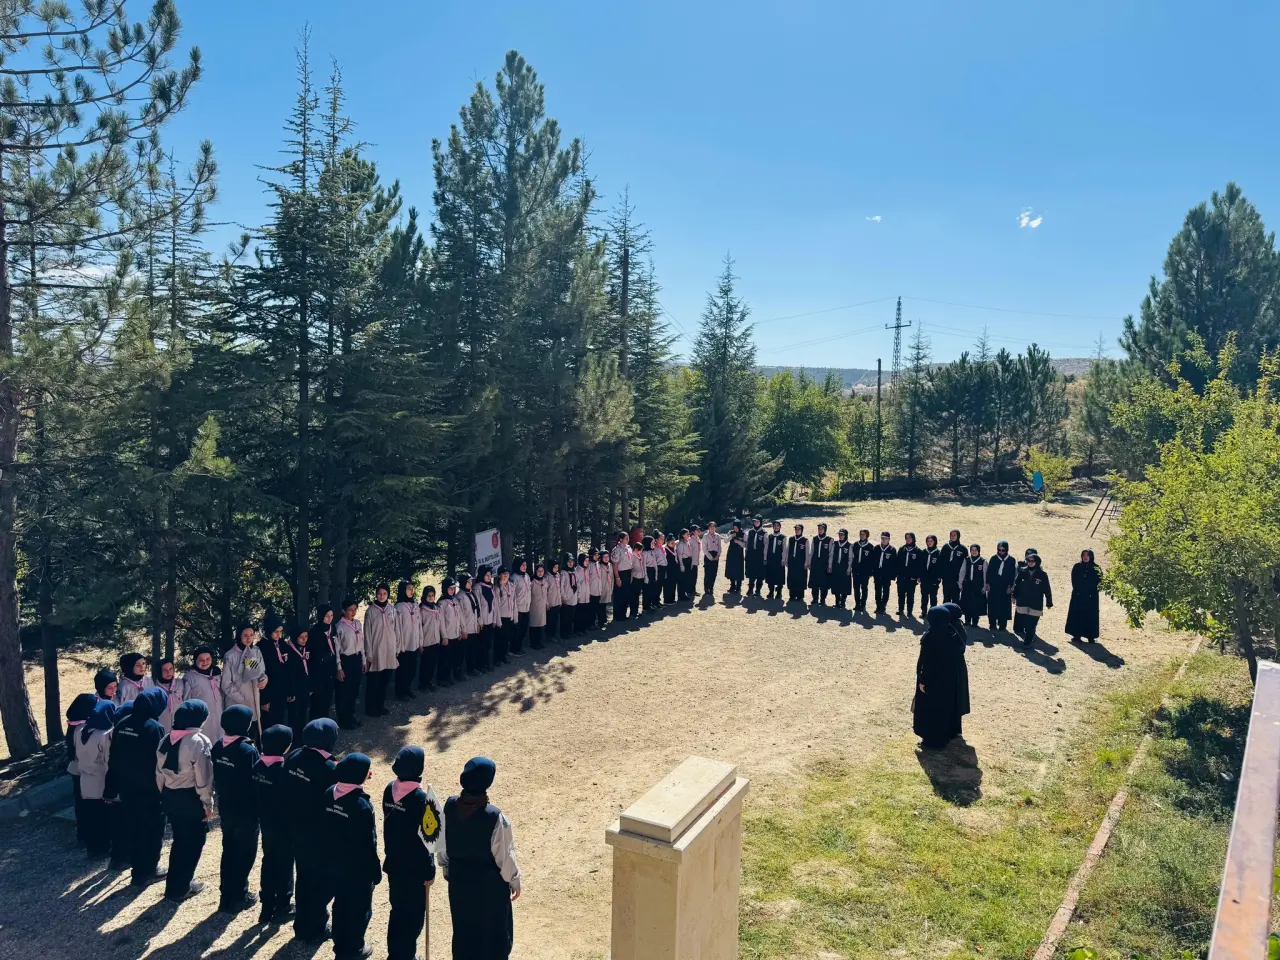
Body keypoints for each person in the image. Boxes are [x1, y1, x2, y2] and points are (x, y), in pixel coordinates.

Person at [438, 757, 521, 960]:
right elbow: (505, 857)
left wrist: (447, 866)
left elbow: (442, 844)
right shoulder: (494, 817)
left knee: (464, 931)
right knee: (493, 936)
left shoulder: (448, 806)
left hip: (459, 883)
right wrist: (514, 880)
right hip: (489, 888)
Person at [383, 746, 440, 960]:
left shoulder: (389, 789)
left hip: (394, 863)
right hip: (414, 870)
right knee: (414, 916)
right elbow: (427, 840)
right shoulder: (421, 798)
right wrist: (430, 871)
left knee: (397, 910)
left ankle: (395, 954)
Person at [285, 718, 340, 944]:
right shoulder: (329, 768)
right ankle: (315, 928)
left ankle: (302, 923)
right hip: (319, 834)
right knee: (320, 882)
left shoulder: (294, 756)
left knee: (304, 877)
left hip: (296, 829)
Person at [324, 753, 381, 960]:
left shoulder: (330, 792)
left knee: (340, 905)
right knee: (359, 909)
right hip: (357, 870)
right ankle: (353, 948)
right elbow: (368, 843)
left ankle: (339, 944)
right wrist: (375, 871)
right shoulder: (361, 806)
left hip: (334, 863)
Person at [110, 686, 169, 886]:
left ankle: (137, 869)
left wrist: (113, 785)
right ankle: (148, 871)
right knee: (152, 830)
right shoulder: (154, 727)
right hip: (149, 789)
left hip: (126, 786)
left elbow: (113, 756)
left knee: (134, 827)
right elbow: (159, 761)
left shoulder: (122, 723)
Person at [156, 698, 214, 902]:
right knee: (194, 842)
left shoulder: (166, 739)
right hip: (190, 797)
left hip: (170, 795)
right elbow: (203, 777)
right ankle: (181, 887)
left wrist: (164, 793)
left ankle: (174, 884)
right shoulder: (199, 741)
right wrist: (207, 803)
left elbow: (159, 773)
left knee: (180, 840)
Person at [213, 704, 261, 912]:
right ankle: (239, 896)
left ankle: (226, 894)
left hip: (226, 806)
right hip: (246, 810)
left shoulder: (218, 746)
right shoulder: (247, 750)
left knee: (229, 849)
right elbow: (255, 779)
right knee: (245, 852)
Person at [253, 724, 295, 924]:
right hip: (284, 827)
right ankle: (283, 906)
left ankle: (266, 904)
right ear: (286, 747)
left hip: (266, 824)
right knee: (285, 864)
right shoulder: (285, 770)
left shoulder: (257, 766)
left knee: (268, 861)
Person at [913, 605, 971, 749]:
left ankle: (933, 741)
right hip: (949, 680)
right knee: (946, 709)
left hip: (933, 681)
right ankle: (946, 735)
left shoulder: (931, 637)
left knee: (932, 710)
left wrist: (923, 680)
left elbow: (927, 662)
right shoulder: (952, 634)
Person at [76, 700, 117, 859]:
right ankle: (103, 849)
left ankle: (92, 849)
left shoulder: (81, 731)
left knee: (90, 817)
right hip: (100, 781)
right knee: (103, 818)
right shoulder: (104, 735)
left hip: (85, 781)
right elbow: (108, 761)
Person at [222, 624, 268, 739]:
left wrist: (264, 680)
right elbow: (226, 684)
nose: (249, 638)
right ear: (239, 636)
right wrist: (242, 700)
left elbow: (260, 673)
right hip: (237, 703)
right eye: (245, 635)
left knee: (253, 736)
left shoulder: (255, 652)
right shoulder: (230, 655)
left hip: (254, 702)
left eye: (251, 635)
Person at [65, 692, 99, 848]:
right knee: (88, 805)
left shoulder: (74, 725)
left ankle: (83, 834)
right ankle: (88, 835)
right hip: (84, 771)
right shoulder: (82, 728)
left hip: (76, 770)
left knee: (81, 804)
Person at [364, 584, 398, 716]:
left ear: (388, 594)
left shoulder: (392, 609)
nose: (382, 596)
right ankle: (370, 708)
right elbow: (367, 633)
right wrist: (369, 653)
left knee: (384, 680)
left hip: (389, 650)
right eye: (379, 593)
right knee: (374, 681)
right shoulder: (371, 611)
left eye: (384, 593)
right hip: (376, 651)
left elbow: (397, 629)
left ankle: (380, 705)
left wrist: (397, 647)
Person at [183, 646, 224, 742]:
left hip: (218, 715)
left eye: (208, 659)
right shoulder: (190, 677)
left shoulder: (217, 674)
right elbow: (186, 699)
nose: (205, 662)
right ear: (195, 660)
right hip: (201, 718)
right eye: (201, 660)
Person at [335, 600, 365, 729]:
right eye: (350, 610)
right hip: (345, 660)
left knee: (354, 690)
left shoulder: (358, 623)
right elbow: (337, 649)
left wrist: (363, 660)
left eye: (355, 609)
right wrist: (339, 668)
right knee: (344, 692)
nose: (353, 612)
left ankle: (351, 715)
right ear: (344, 611)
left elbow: (361, 643)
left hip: (356, 658)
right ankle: (343, 719)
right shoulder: (339, 626)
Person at [1013, 551, 1053, 646]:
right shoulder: (1022, 571)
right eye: (1029, 560)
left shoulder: (1042, 574)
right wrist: (1014, 596)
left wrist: (1049, 602)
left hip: (1035, 603)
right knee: (1024, 622)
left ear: (1037, 562)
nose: (1030, 563)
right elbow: (1017, 585)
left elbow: (1047, 589)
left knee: (1031, 624)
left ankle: (1027, 643)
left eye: (1032, 561)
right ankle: (1026, 639)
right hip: (1023, 601)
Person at [259, 614, 290, 730]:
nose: (279, 635)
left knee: (281, 722)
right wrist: (264, 700)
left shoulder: (282, 644)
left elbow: (289, 667)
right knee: (269, 725)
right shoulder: (259, 648)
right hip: (269, 694)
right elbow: (258, 674)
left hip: (282, 692)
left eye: (281, 631)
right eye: (276, 631)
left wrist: (289, 691)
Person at [1066, 549, 1102, 643]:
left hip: (1092, 596)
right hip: (1078, 595)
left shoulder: (1096, 568)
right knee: (1078, 615)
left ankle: (1091, 636)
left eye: (1087, 555)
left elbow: (1099, 582)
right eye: (1083, 555)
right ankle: (1076, 635)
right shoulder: (1077, 566)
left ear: (1091, 556)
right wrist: (1078, 590)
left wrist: (1092, 592)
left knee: (1090, 616)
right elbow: (1074, 580)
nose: (1085, 557)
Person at [309, 605, 338, 720]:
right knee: (318, 700)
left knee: (327, 698)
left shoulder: (333, 629)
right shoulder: (314, 632)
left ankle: (325, 721)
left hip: (330, 668)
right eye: (326, 616)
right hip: (319, 671)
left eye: (331, 615)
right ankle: (315, 724)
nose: (329, 618)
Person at [395, 581, 422, 701]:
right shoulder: (399, 607)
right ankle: (400, 692)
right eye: (408, 589)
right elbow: (397, 628)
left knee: (412, 669)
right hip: (404, 645)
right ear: (403, 590)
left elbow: (419, 624)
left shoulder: (415, 604)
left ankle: (407, 689)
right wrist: (399, 646)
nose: (411, 591)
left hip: (414, 643)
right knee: (403, 670)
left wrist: (420, 642)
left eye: (412, 589)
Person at [283, 626, 312, 733]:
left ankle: (302, 735)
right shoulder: (288, 651)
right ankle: (294, 737)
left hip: (305, 686)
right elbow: (288, 673)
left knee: (303, 712)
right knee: (294, 715)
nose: (304, 639)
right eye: (301, 637)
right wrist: (290, 691)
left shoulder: (306, 648)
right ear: (295, 637)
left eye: (306, 636)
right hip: (294, 688)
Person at [985, 541, 1016, 633]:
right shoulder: (994, 558)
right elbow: (989, 572)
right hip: (994, 586)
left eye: (1003, 550)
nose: (1001, 552)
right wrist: (987, 583)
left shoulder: (1011, 560)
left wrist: (1010, 587)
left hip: (1005, 587)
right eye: (999, 550)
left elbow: (1012, 575)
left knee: (1004, 606)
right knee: (992, 605)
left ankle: (1002, 624)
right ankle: (992, 623)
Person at [438, 579, 463, 683]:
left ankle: (449, 676)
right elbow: (441, 622)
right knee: (445, 659)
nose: (452, 590)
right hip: (447, 635)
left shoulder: (455, 600)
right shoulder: (442, 603)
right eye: (450, 588)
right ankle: (442, 679)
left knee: (453, 657)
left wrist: (460, 630)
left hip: (455, 634)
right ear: (445, 589)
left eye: (453, 588)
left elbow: (459, 617)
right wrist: (444, 636)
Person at [419, 586, 443, 688]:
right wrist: (420, 643)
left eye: (433, 595)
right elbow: (419, 628)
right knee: (426, 664)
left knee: (433, 663)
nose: (431, 597)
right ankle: (423, 683)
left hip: (435, 640)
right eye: (428, 595)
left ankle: (429, 681)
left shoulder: (436, 608)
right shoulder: (422, 610)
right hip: (426, 641)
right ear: (424, 596)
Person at [958, 544, 988, 628]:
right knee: (967, 602)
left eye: (976, 550)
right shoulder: (966, 560)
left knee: (976, 603)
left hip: (978, 586)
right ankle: (967, 621)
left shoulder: (983, 561)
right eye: (972, 550)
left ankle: (975, 622)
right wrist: (960, 583)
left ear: (979, 551)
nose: (974, 552)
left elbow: (985, 574)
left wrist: (984, 586)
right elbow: (962, 572)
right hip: (967, 585)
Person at [895, 532, 923, 617]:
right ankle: (900, 610)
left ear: (913, 539)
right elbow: (897, 562)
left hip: (911, 578)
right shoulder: (902, 549)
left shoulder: (918, 551)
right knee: (901, 594)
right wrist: (897, 574)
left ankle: (909, 611)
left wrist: (917, 576)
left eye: (910, 538)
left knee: (910, 595)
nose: (908, 539)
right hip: (901, 577)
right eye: (906, 538)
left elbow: (920, 566)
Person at [458, 574, 482, 671]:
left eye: (471, 581)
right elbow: (460, 616)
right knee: (463, 651)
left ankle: (471, 668)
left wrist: (478, 623)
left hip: (474, 627)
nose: (470, 583)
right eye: (468, 581)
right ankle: (461, 671)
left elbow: (477, 610)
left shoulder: (472, 594)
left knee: (472, 649)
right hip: (466, 629)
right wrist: (463, 630)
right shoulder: (460, 597)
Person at [152, 658, 183, 732]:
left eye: (171, 669)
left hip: (178, 725)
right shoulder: (153, 686)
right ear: (159, 671)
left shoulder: (180, 683)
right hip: (161, 725)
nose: (168, 672)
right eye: (165, 670)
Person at [872, 532, 897, 615]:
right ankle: (878, 606)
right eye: (882, 538)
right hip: (877, 573)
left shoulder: (892, 550)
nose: (884, 540)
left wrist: (892, 576)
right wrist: (873, 572)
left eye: (885, 538)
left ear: (889, 539)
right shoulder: (876, 548)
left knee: (886, 591)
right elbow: (873, 561)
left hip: (886, 575)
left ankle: (883, 606)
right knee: (877, 591)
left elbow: (894, 564)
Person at [496, 567, 517, 664]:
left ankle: (503, 656)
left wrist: (515, 617)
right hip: (501, 617)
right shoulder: (497, 588)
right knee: (499, 639)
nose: (505, 576)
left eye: (507, 574)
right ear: (499, 575)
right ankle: (497, 658)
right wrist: (498, 621)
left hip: (509, 616)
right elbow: (496, 606)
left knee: (506, 639)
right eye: (503, 574)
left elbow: (514, 602)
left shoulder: (512, 586)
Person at [610, 533, 633, 622]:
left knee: (626, 594)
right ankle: (617, 616)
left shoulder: (629, 548)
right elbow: (615, 564)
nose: (628, 540)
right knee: (619, 595)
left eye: (628, 538)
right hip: (620, 573)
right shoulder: (617, 550)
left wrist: (631, 574)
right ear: (620, 539)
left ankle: (623, 614)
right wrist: (617, 578)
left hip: (628, 572)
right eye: (626, 538)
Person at [808, 523, 833, 605]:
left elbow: (831, 554)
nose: (820, 530)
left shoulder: (829, 540)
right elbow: (811, 551)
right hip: (815, 563)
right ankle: (815, 598)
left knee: (824, 583)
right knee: (814, 582)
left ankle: (822, 599)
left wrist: (829, 565)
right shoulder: (815, 539)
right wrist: (809, 562)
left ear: (825, 530)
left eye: (822, 529)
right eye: (819, 528)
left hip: (824, 564)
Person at [829, 529, 853, 609]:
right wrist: (830, 565)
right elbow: (831, 555)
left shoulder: (849, 545)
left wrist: (849, 568)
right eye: (839, 534)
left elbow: (850, 558)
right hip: (836, 567)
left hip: (844, 568)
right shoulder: (835, 544)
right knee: (836, 585)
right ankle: (837, 601)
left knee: (844, 585)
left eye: (842, 535)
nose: (840, 536)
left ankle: (842, 602)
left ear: (845, 535)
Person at [942, 530, 968, 605]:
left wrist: (963, 579)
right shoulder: (945, 547)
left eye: (954, 535)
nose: (953, 537)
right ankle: (945, 612)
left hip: (957, 578)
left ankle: (955, 612)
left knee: (956, 598)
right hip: (946, 578)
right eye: (951, 535)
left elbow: (966, 564)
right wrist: (941, 575)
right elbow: (940, 562)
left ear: (958, 536)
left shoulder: (963, 549)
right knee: (946, 598)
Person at [786, 524, 810, 602]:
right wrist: (786, 560)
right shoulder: (791, 539)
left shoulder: (805, 540)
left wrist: (806, 562)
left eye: (799, 529)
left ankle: (800, 596)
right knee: (792, 578)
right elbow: (788, 550)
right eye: (796, 529)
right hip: (792, 562)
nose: (797, 531)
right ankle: (792, 595)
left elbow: (807, 552)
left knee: (800, 578)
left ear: (802, 530)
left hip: (801, 563)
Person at [852, 530, 875, 612]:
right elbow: (852, 557)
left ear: (867, 535)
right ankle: (857, 604)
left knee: (864, 588)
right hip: (856, 570)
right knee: (856, 588)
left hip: (865, 572)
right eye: (860, 534)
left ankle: (863, 604)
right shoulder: (855, 545)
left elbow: (872, 561)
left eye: (863, 534)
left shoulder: (870, 547)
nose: (862, 536)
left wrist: (871, 572)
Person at [512, 558, 532, 653]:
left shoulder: (527, 576)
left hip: (526, 607)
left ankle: (519, 647)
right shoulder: (514, 578)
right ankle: (514, 649)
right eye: (522, 565)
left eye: (525, 565)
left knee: (524, 629)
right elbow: (512, 596)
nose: (524, 567)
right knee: (517, 631)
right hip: (518, 609)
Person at [528, 563, 549, 650]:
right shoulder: (532, 582)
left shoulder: (545, 581)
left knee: (541, 625)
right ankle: (533, 643)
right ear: (535, 571)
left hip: (542, 606)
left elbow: (546, 594)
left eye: (542, 571)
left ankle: (539, 641)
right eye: (538, 571)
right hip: (534, 607)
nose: (540, 573)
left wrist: (547, 603)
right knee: (534, 625)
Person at [744, 516, 767, 596]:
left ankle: (758, 590)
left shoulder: (764, 533)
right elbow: (746, 544)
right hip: (751, 555)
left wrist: (765, 557)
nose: (756, 523)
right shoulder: (750, 532)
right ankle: (750, 588)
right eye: (755, 521)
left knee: (760, 574)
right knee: (751, 573)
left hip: (760, 556)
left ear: (760, 522)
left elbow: (766, 546)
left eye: (757, 521)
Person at [764, 521, 787, 600]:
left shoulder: (782, 537)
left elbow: (784, 549)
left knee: (779, 576)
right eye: (774, 526)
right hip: (770, 559)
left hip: (779, 559)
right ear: (773, 527)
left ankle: (779, 592)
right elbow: (766, 547)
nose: (776, 527)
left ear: (780, 527)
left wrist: (783, 560)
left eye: (777, 526)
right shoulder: (769, 537)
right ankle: (771, 591)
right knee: (770, 576)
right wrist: (765, 558)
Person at [724, 520, 746, 595]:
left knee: (738, 570)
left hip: (739, 555)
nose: (735, 529)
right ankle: (732, 585)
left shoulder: (743, 534)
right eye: (734, 527)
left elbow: (745, 545)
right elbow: (725, 541)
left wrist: (739, 542)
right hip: (731, 554)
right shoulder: (730, 532)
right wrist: (731, 536)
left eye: (737, 528)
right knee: (731, 569)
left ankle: (738, 587)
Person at [557, 556, 577, 640]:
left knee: (571, 616)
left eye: (572, 561)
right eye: (569, 561)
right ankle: (564, 633)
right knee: (565, 617)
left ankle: (569, 632)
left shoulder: (574, 571)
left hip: (573, 597)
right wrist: (564, 597)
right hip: (566, 599)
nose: (571, 563)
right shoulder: (563, 572)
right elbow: (561, 586)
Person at [921, 535, 943, 609]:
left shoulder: (938, 553)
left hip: (934, 579)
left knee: (933, 596)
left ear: (935, 542)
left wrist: (938, 578)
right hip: (924, 578)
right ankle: (924, 611)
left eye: (931, 541)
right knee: (924, 596)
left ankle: (933, 611)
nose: (929, 543)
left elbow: (941, 567)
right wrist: (920, 576)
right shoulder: (924, 552)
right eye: (928, 541)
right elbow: (920, 565)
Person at [702, 521, 723, 595]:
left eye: (713, 526)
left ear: (715, 528)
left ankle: (711, 587)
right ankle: (706, 588)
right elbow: (704, 548)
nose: (712, 528)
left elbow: (719, 547)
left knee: (714, 573)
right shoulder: (705, 536)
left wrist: (718, 555)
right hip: (708, 555)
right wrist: (710, 557)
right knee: (707, 573)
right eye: (710, 526)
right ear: (708, 527)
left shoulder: (718, 536)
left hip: (716, 555)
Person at [572, 554, 592, 633]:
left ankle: (583, 628)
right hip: (580, 596)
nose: (587, 562)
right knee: (579, 613)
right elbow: (577, 584)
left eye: (588, 561)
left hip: (586, 595)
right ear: (581, 561)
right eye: (585, 561)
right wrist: (578, 595)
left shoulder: (586, 570)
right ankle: (577, 629)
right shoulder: (577, 570)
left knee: (585, 612)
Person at [640, 536, 659, 612]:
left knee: (652, 588)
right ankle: (646, 606)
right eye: (652, 542)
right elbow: (644, 565)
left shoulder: (652, 551)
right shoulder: (644, 553)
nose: (654, 544)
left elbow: (655, 563)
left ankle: (650, 604)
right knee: (646, 589)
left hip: (652, 570)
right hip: (647, 571)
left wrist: (656, 573)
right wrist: (646, 576)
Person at [598, 550, 614, 629]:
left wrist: (611, 587)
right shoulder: (599, 566)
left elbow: (612, 577)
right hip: (601, 588)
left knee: (604, 604)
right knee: (600, 605)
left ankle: (604, 619)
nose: (606, 558)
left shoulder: (610, 565)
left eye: (607, 557)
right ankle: (600, 621)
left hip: (607, 587)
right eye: (604, 557)